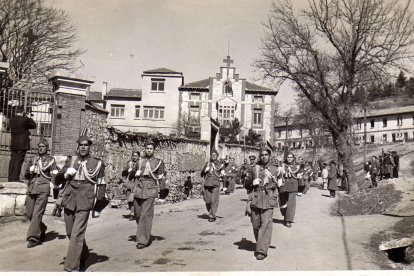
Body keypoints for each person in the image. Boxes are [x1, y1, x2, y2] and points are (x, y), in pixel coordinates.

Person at [58, 136, 106, 272]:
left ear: (90, 147)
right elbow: (57, 180)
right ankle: (83, 254)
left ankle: (72, 266)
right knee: (69, 232)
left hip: (85, 201)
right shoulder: (71, 160)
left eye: (86, 145)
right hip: (69, 200)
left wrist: (99, 206)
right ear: (78, 147)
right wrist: (66, 175)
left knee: (77, 233)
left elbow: (102, 183)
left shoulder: (97, 163)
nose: (83, 147)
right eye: (81, 145)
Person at [244, 147, 280, 260]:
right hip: (256, 197)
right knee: (256, 225)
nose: (264, 157)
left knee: (266, 224)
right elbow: (246, 183)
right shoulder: (254, 168)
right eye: (262, 155)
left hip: (269, 198)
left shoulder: (276, 169)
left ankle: (262, 250)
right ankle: (261, 242)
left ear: (270, 156)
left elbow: (281, 184)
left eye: (266, 155)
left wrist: (283, 200)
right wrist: (251, 183)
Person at [132, 140, 168, 249]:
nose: (149, 150)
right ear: (144, 149)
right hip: (139, 189)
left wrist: (162, 195)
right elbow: (134, 174)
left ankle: (142, 240)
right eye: (147, 148)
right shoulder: (139, 161)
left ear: (153, 150)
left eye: (151, 148)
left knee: (145, 215)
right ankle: (144, 231)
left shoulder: (158, 162)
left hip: (150, 189)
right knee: (138, 214)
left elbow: (161, 178)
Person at [25, 139, 58, 248]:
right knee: (29, 213)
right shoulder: (33, 159)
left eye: (43, 146)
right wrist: (29, 170)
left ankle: (33, 238)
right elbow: (25, 175)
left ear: (47, 148)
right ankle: (42, 228)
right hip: (32, 188)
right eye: (39, 146)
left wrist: (55, 183)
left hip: (43, 189)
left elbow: (55, 174)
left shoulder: (51, 160)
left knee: (37, 214)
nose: (40, 148)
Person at [8, 106, 36, 182]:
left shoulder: (11, 120)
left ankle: (10, 178)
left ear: (15, 112)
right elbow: (34, 125)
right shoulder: (24, 120)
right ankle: (15, 178)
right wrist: (29, 117)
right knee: (18, 161)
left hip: (14, 143)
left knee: (12, 160)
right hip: (22, 144)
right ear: (23, 112)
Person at [201, 149, 225, 222]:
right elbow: (201, 174)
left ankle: (212, 215)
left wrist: (224, 185)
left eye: (214, 155)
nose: (213, 156)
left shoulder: (220, 165)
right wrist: (205, 170)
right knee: (207, 201)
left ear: (217, 156)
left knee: (214, 200)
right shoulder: (207, 163)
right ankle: (211, 212)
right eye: (212, 155)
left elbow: (223, 175)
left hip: (215, 185)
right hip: (207, 184)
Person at [279, 153, 302, 227]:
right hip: (284, 186)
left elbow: (300, 177)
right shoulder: (282, 165)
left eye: (290, 157)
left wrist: (300, 189)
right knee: (283, 203)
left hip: (293, 186)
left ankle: (288, 220)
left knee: (291, 204)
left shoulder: (297, 166)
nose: (289, 158)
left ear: (293, 158)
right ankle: (285, 216)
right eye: (288, 157)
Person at [122, 151, 140, 220]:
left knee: (133, 198)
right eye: (133, 155)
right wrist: (126, 172)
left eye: (136, 155)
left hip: (136, 182)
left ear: (138, 156)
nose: (134, 157)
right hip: (129, 182)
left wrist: (134, 172)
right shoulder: (129, 163)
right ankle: (132, 212)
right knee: (129, 197)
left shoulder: (140, 163)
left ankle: (133, 214)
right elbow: (124, 171)